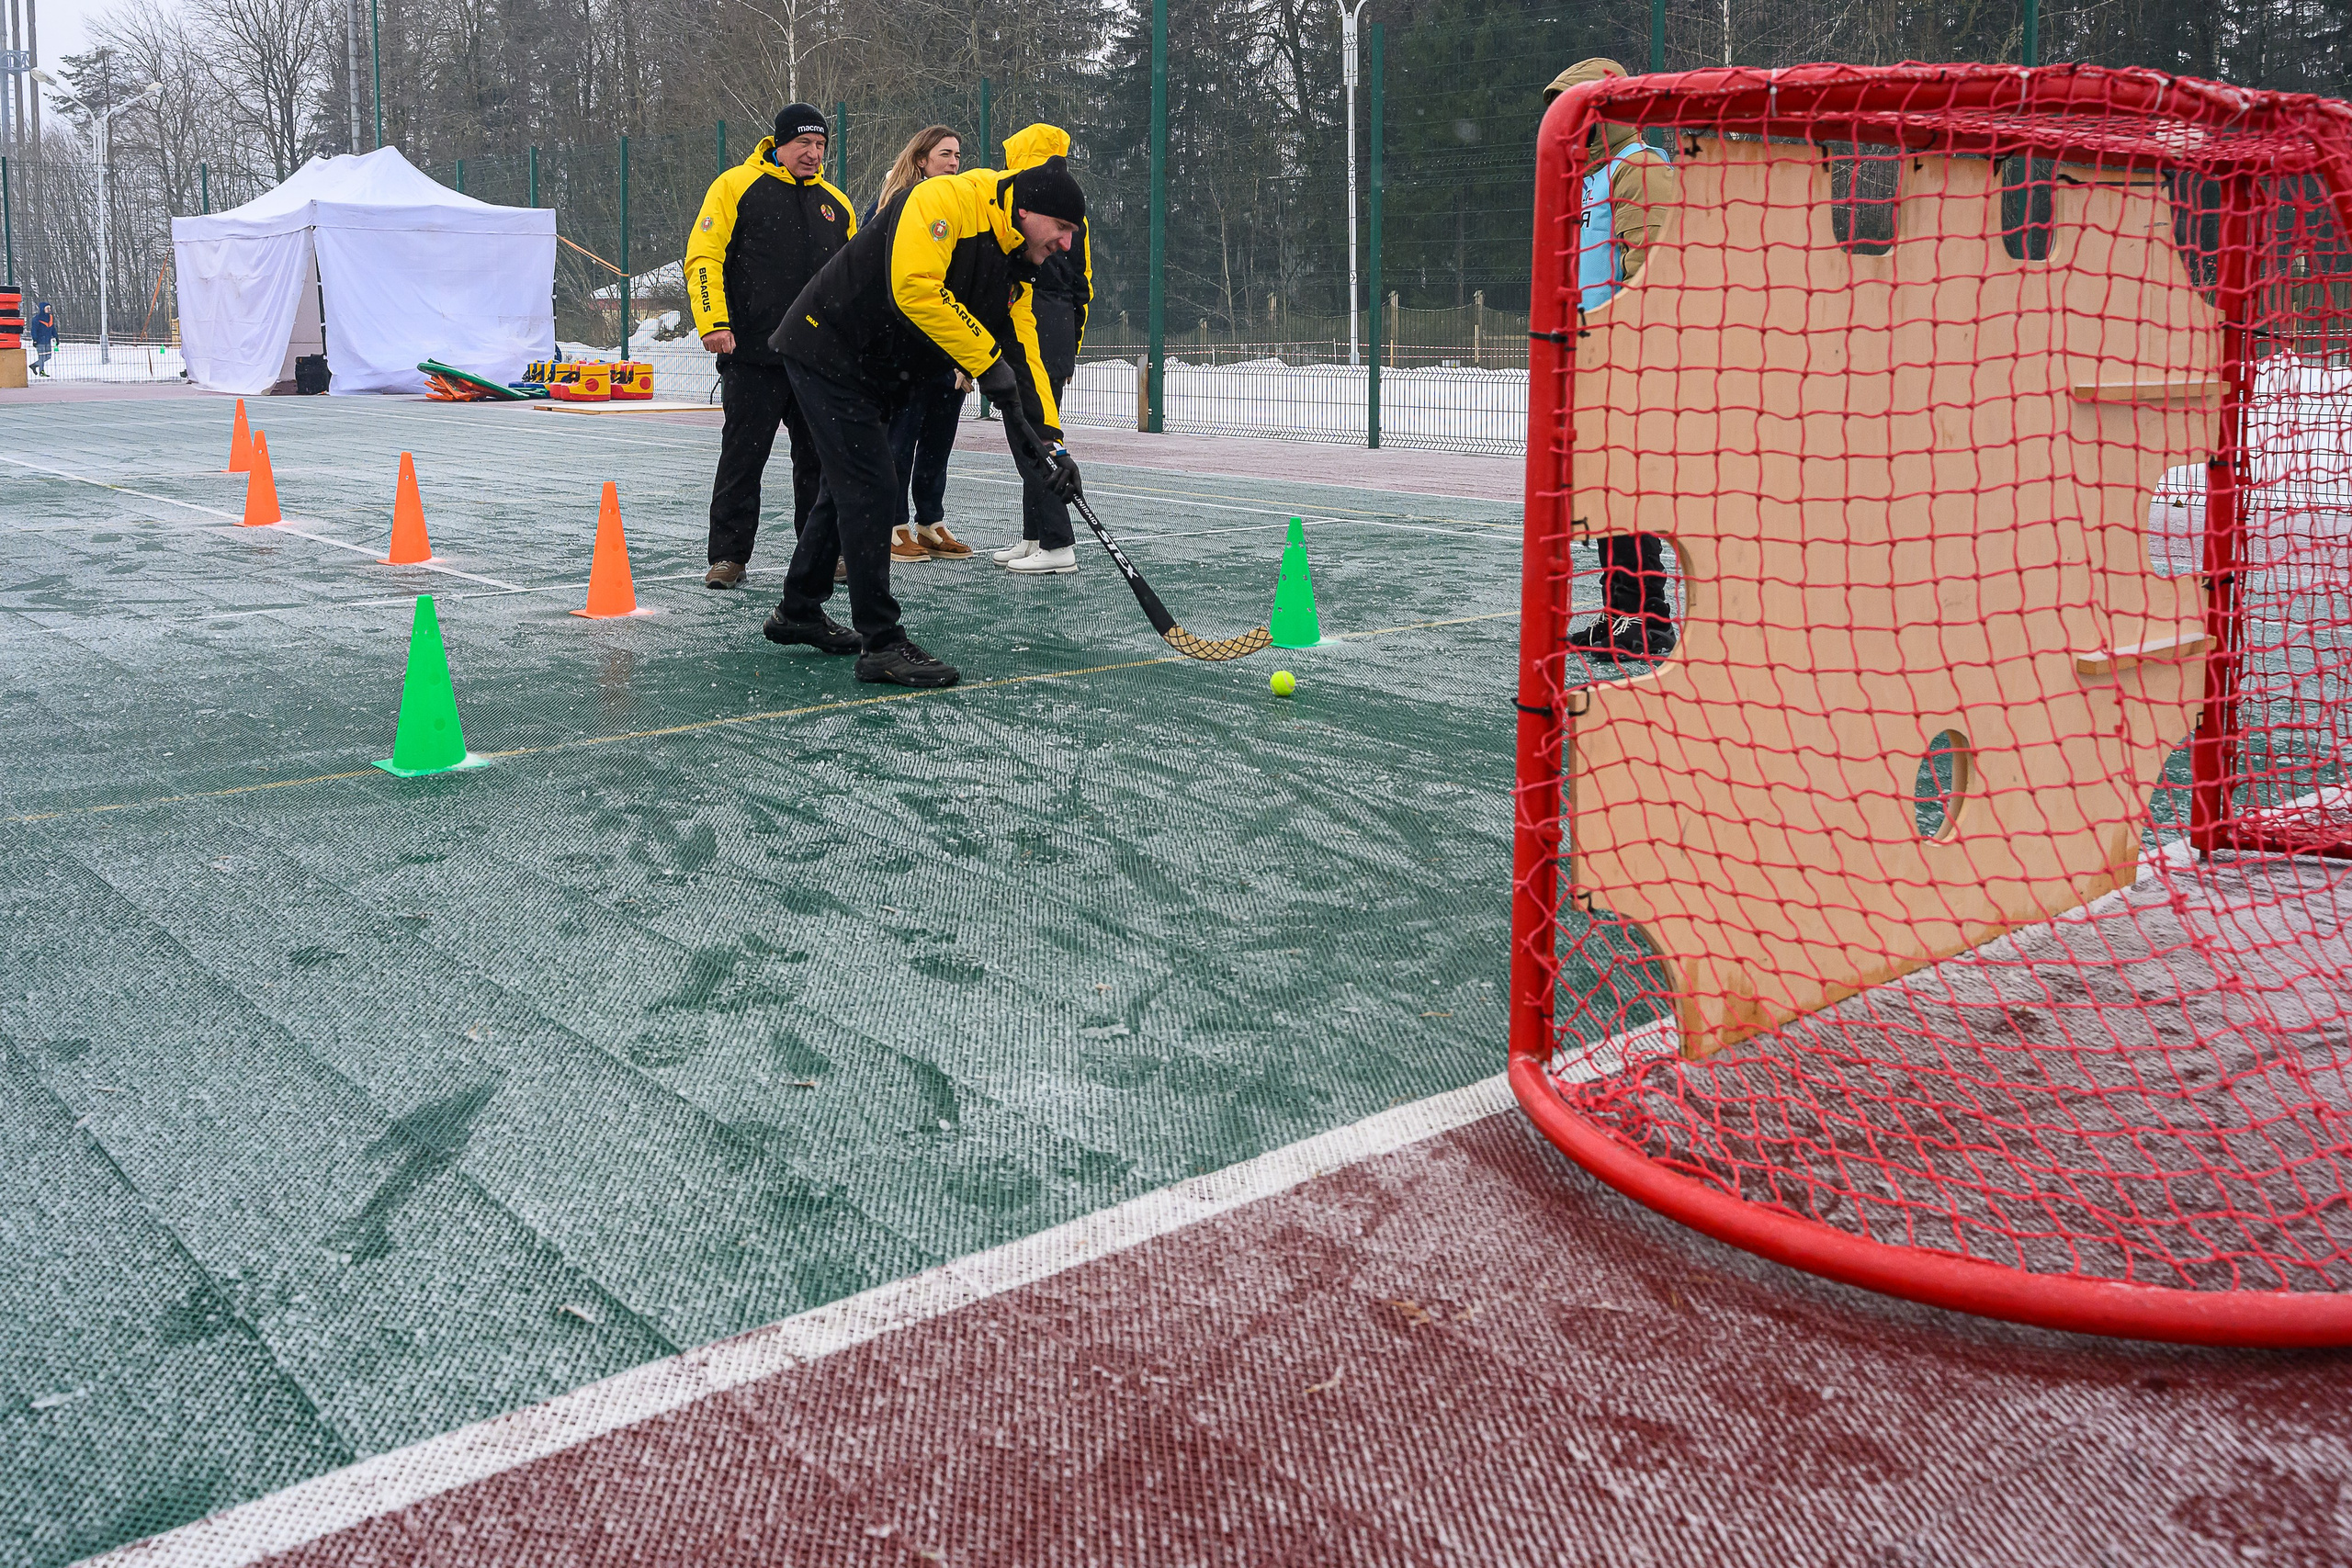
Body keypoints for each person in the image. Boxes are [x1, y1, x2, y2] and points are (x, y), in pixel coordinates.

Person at [760, 146, 1090, 689]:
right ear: (1027, 211)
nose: (1066, 243)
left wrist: (1051, 443)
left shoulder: (1016, 262)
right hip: (828, 347)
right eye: (1061, 227)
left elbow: (1023, 357)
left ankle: (798, 610)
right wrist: (986, 363)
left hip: (878, 369)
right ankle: (882, 644)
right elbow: (914, 286)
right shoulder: (943, 200)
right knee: (870, 484)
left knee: (846, 488)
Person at [687, 103, 857, 591]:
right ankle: (727, 557)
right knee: (744, 457)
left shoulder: (837, 204)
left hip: (816, 360)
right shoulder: (735, 187)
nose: (813, 153)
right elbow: (704, 255)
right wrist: (714, 322)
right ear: (778, 144)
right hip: (752, 356)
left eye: (821, 145)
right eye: (804, 143)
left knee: (821, 462)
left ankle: (822, 552)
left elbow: (851, 282)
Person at [1545, 58, 1679, 662]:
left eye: (1577, 111)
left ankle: (1649, 622)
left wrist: (1627, 346)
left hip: (1628, 360)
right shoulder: (1591, 179)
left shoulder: (1639, 168)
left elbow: (1647, 266)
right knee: (1605, 493)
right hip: (1592, 359)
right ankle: (1619, 614)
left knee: (1629, 493)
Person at [861, 125, 977, 566]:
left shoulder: (960, 212)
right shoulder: (891, 205)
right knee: (899, 441)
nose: (952, 162)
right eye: (944, 153)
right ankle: (892, 527)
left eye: (957, 155)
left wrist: (966, 354)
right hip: (902, 349)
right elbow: (877, 279)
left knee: (938, 439)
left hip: (946, 347)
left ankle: (931, 522)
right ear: (921, 159)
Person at [992, 125, 1094, 576]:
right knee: (1027, 429)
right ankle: (1035, 537)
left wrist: (1064, 345)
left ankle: (1057, 542)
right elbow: (1084, 285)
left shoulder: (1029, 204)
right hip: (1048, 320)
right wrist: (1072, 342)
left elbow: (1080, 282)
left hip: (1037, 318)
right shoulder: (1067, 203)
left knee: (1032, 433)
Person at [28, 299, 56, 377]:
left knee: (48, 356)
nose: (49, 310)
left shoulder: (50, 318)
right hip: (40, 340)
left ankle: (34, 365)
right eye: (47, 308)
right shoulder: (37, 319)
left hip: (47, 340)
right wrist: (35, 340)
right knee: (41, 356)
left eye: (50, 308)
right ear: (42, 309)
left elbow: (53, 328)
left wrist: (56, 337)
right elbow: (34, 330)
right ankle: (42, 371)